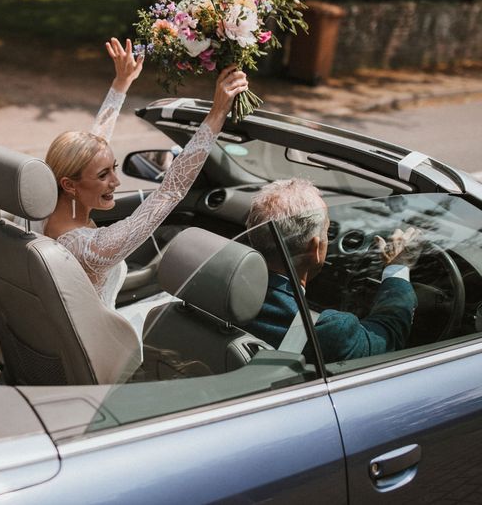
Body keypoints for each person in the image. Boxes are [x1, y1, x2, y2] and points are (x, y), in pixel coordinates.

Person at [44, 37, 249, 333]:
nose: (116, 181)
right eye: (104, 176)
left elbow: (92, 146)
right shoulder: (92, 248)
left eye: (114, 169)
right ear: (70, 184)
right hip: (105, 344)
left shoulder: (37, 214)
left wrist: (121, 84)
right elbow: (171, 189)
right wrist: (217, 113)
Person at [243, 178, 420, 363]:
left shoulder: (218, 289)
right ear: (315, 249)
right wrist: (397, 267)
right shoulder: (333, 331)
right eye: (327, 231)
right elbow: (389, 337)